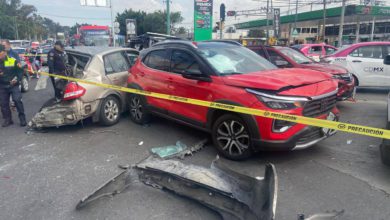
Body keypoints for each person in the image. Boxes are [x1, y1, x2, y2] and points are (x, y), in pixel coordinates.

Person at [0, 44, 26, 127]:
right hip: (2, 86)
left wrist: (16, 79)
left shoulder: (12, 60)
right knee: (3, 104)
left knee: (17, 100)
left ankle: (22, 119)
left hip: (13, 85)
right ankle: (8, 119)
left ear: (4, 52)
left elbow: (20, 71)